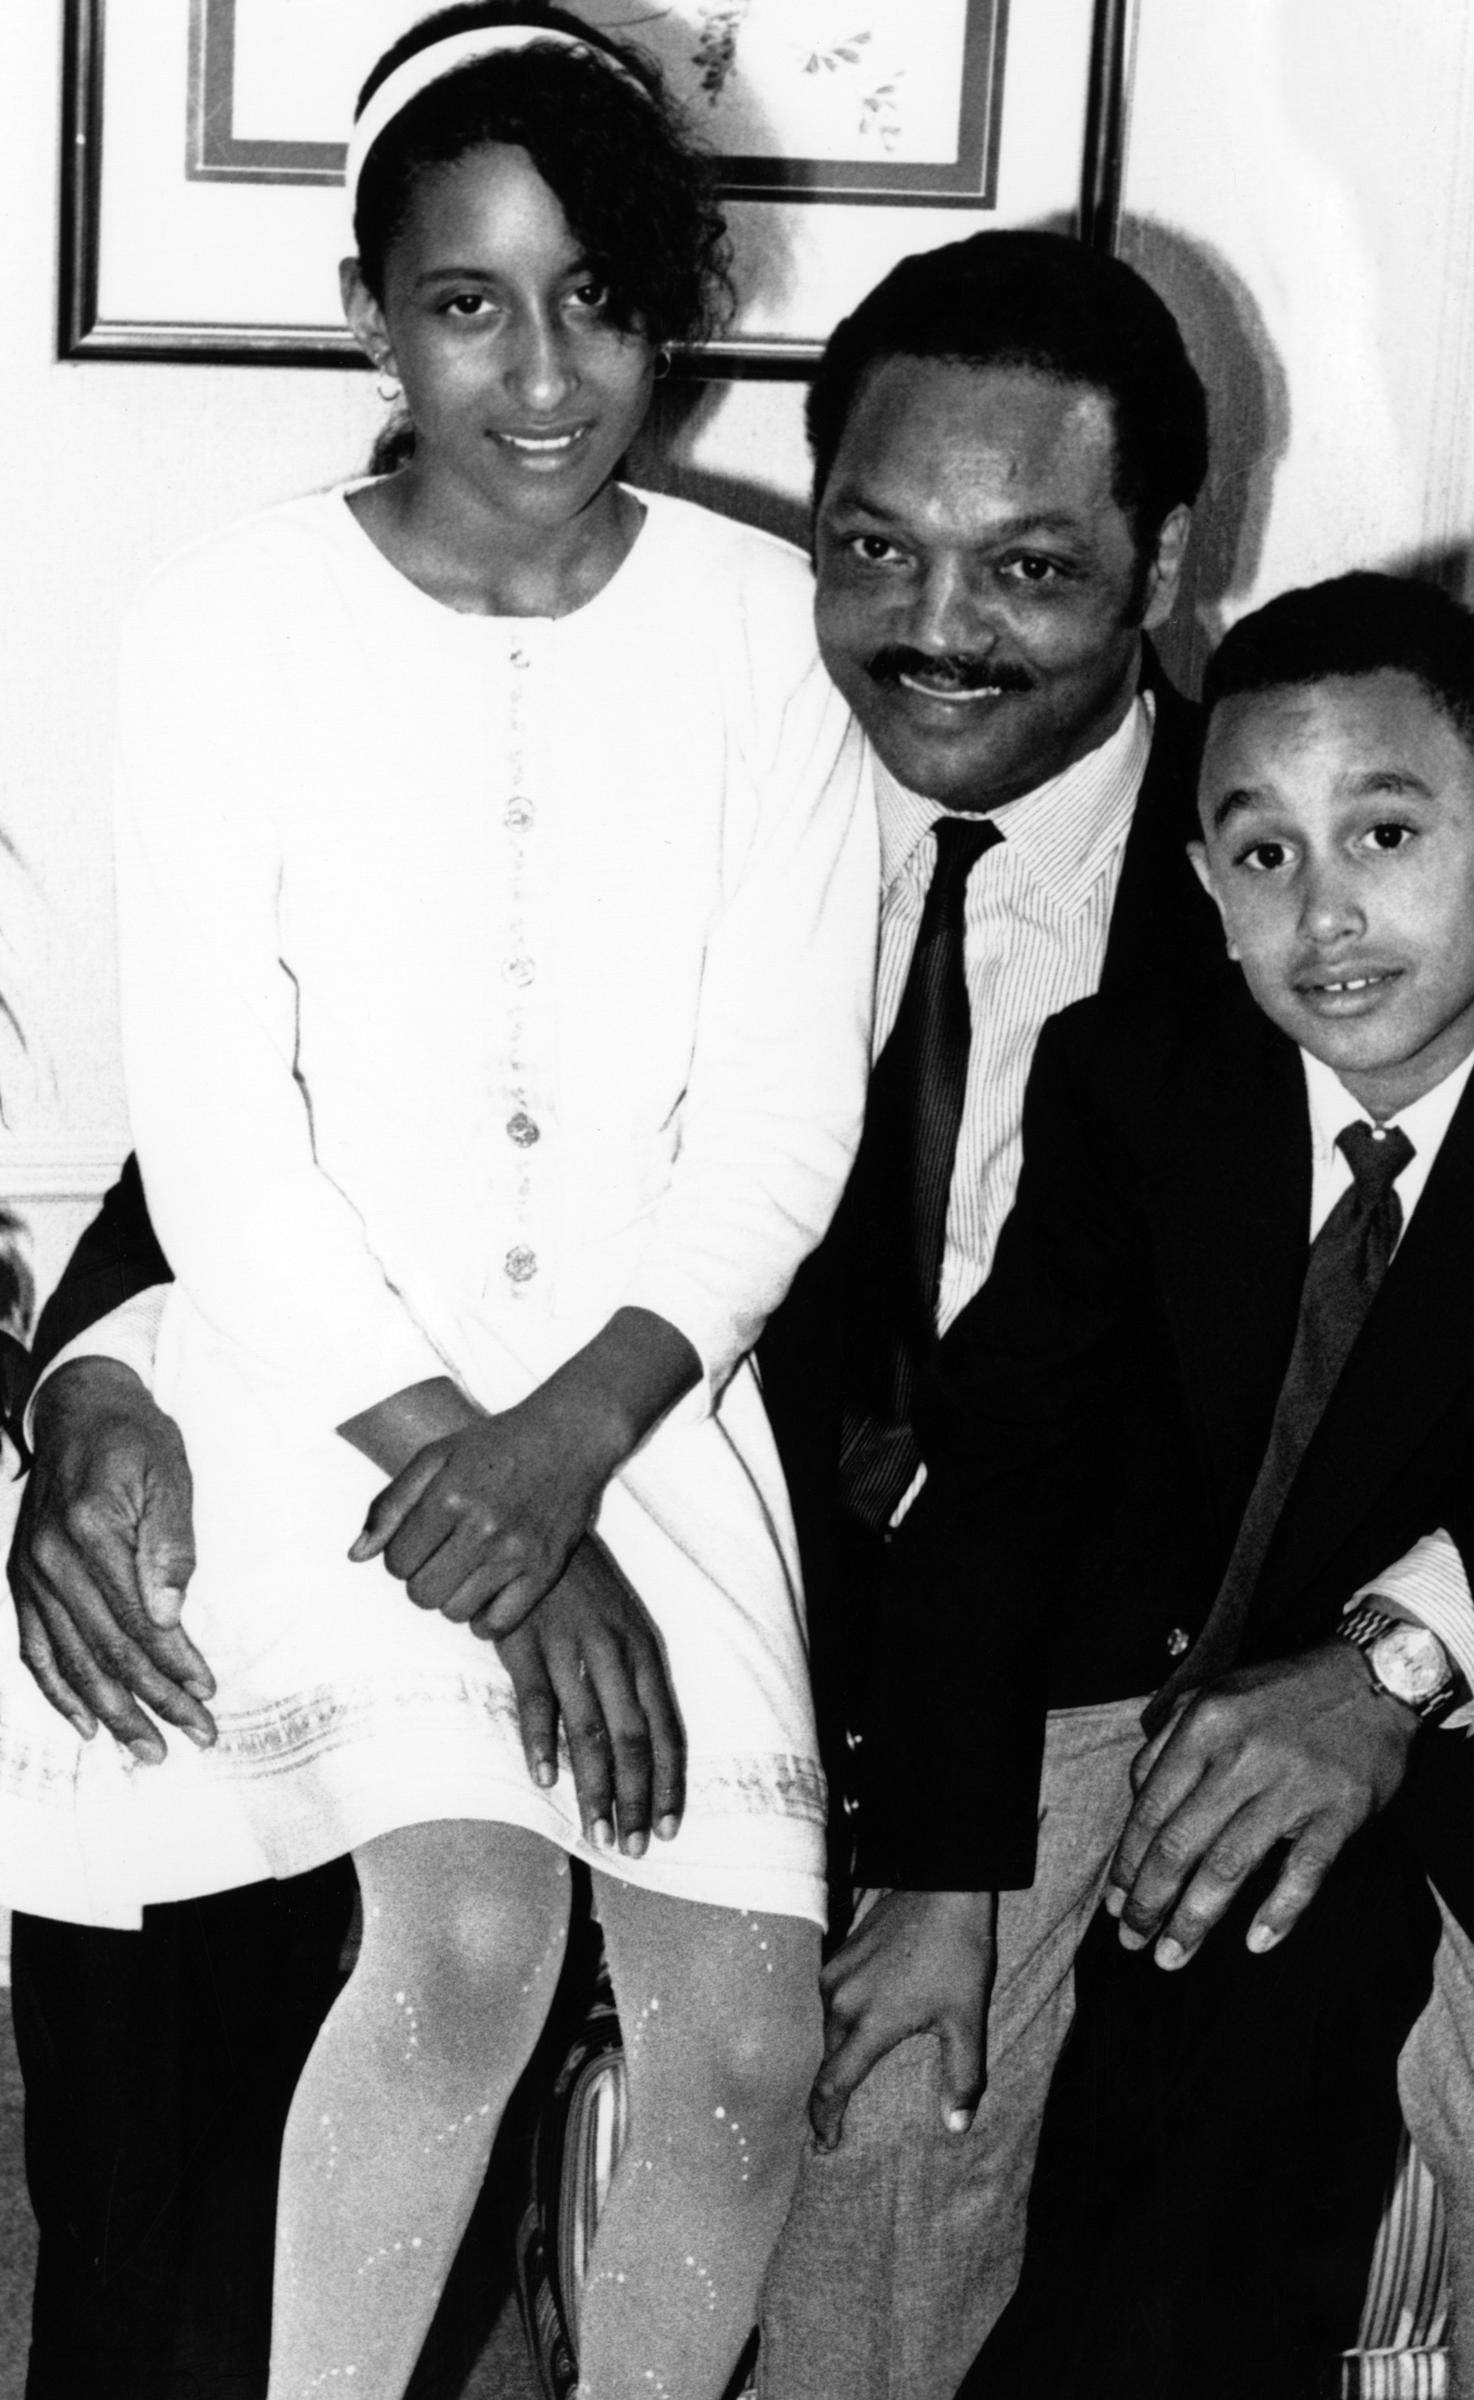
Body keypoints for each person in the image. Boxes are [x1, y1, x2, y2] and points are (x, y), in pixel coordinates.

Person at [0, 9, 876, 2399]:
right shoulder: (223, 619)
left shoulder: (767, 642)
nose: (545, 373)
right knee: (470, 1944)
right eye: (470, 300)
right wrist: (479, 1489)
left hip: (648, 1406)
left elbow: (782, 1120)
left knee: (745, 2043)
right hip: (330, 1394)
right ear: (370, 310)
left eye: (599, 297)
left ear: (670, 307)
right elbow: (218, 1136)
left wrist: (572, 1455)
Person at [853, 572, 1474, 2395]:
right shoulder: (1134, 1080)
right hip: (1138, 1676)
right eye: (1264, 855)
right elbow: (999, 1478)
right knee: (898, 2090)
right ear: (1206, 890)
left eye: (1387, 833)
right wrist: (934, 1871)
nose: (1327, 913)